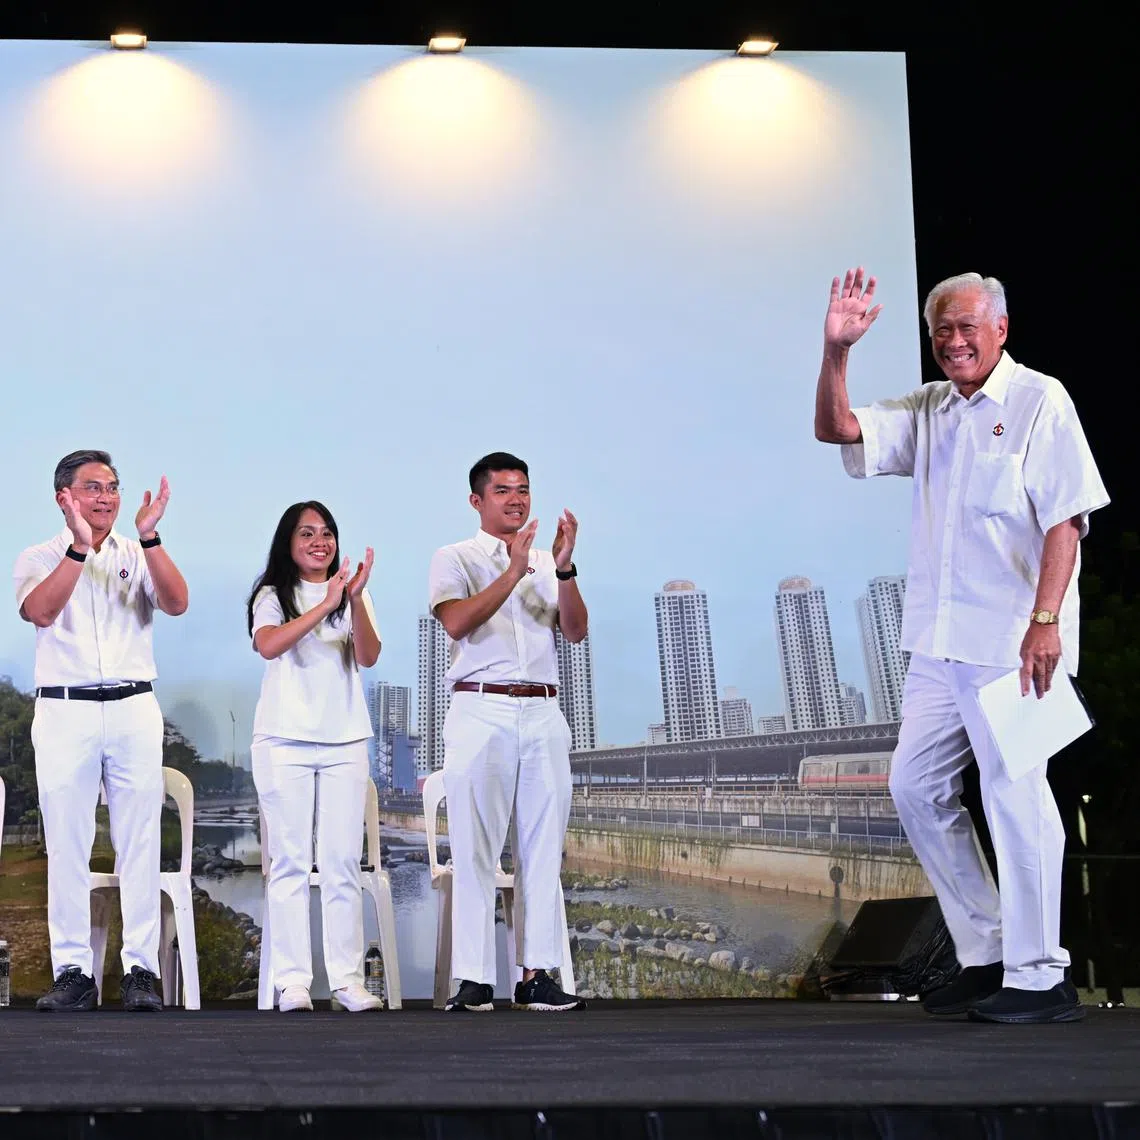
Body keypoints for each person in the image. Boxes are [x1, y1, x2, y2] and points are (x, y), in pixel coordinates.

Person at [814, 269, 1109, 1024]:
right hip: (938, 643)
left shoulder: (1041, 400)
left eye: (967, 326)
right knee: (915, 788)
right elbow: (839, 430)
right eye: (941, 330)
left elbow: (1065, 520)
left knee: (1016, 792)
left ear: (1001, 329)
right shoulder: (932, 408)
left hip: (1014, 640)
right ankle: (989, 952)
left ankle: (1041, 975)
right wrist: (836, 351)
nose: (953, 341)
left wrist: (1045, 621)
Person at [14, 450, 189, 1012]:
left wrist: (151, 537)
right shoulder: (38, 555)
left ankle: (140, 971)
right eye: (94, 488)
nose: (107, 497)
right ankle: (74, 972)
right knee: (68, 844)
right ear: (64, 495)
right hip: (66, 710)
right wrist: (76, 548)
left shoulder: (137, 554)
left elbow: (178, 603)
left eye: (112, 487)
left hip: (134, 705)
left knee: (139, 840)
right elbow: (41, 611)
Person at [429, 452, 588, 1012]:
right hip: (481, 709)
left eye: (523, 490)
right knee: (475, 848)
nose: (516, 500)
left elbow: (575, 630)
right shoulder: (454, 557)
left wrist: (564, 569)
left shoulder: (549, 561)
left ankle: (535, 975)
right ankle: (473, 978)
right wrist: (513, 571)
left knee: (543, 850)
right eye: (503, 491)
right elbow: (456, 621)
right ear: (477, 500)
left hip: (543, 712)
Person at [248, 501, 383, 1013]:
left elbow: (368, 656)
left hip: (346, 739)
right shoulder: (272, 595)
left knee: (343, 861)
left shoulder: (349, 596)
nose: (318, 542)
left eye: (326, 533)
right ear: (289, 542)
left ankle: (347, 980)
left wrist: (356, 599)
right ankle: (292, 982)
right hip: (284, 741)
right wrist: (325, 606)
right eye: (307, 534)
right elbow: (269, 645)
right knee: (288, 864)